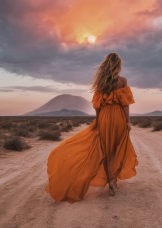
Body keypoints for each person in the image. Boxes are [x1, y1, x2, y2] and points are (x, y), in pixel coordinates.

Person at [45, 53, 138, 202]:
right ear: (118, 65)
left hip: (104, 118)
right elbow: (125, 104)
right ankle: (113, 181)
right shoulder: (122, 81)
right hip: (118, 117)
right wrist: (127, 121)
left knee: (106, 151)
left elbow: (97, 106)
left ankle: (110, 181)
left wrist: (99, 120)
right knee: (117, 148)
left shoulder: (101, 83)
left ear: (106, 65)